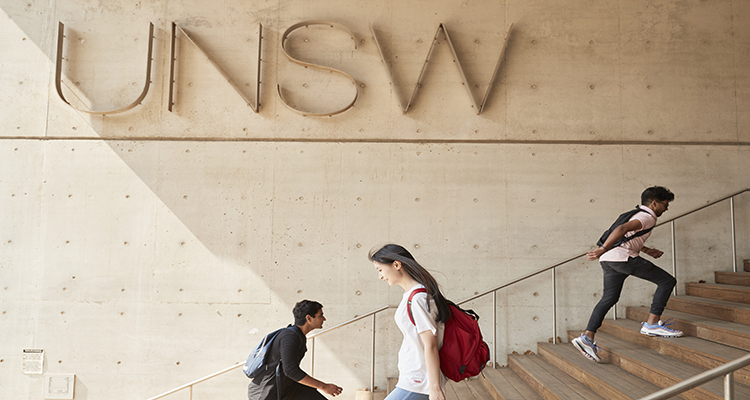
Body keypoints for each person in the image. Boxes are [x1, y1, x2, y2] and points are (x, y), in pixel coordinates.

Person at [572, 186, 684, 363]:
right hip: (622, 258)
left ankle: (587, 338)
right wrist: (602, 249)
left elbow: (628, 235)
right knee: (667, 281)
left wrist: (646, 250)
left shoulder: (635, 213)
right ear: (654, 203)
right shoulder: (646, 217)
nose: (666, 208)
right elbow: (622, 229)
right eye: (664, 204)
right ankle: (652, 324)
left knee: (609, 298)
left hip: (610, 261)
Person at [370, 244, 450, 400]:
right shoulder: (411, 295)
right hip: (414, 378)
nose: (380, 276)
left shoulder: (418, 298)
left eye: (380, 269)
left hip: (419, 381)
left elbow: (430, 344)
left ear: (397, 264)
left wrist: (435, 388)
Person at [247, 300, 343, 400]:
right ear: (309, 318)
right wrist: (324, 386)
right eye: (320, 315)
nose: (324, 319)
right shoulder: (290, 337)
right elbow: (290, 370)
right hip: (267, 393)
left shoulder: (297, 336)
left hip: (287, 388)